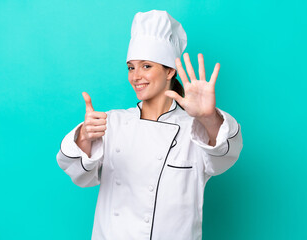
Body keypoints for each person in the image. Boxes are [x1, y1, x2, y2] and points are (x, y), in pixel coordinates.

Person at [57, 9, 243, 240]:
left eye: (146, 66)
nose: (136, 76)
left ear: (170, 71)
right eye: (131, 67)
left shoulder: (194, 130)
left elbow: (224, 155)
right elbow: (79, 176)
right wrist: (84, 137)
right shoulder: (111, 122)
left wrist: (207, 117)